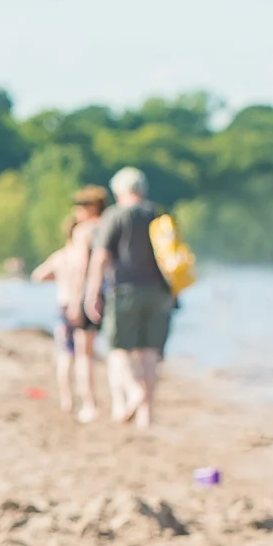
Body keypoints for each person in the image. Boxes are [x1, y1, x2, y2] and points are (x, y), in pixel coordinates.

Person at [84, 167, 176, 433]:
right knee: (149, 352)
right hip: (160, 292)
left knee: (117, 350)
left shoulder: (115, 216)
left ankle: (135, 392)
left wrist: (92, 293)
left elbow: (100, 256)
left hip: (125, 291)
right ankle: (146, 415)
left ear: (118, 191)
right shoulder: (159, 213)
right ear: (143, 189)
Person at [30, 209, 101, 422]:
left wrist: (58, 279)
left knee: (64, 354)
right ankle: (88, 401)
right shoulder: (85, 256)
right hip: (80, 304)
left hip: (62, 305)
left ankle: (66, 400)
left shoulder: (60, 256)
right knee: (84, 354)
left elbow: (37, 276)